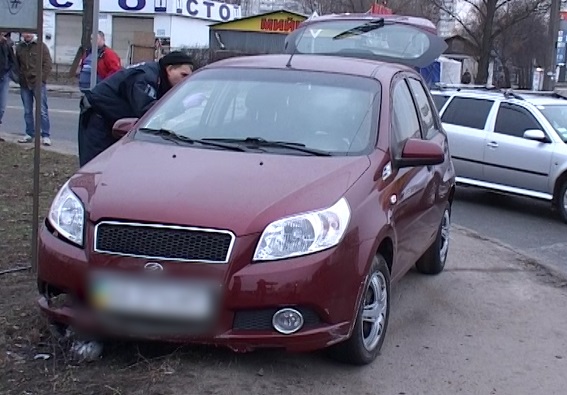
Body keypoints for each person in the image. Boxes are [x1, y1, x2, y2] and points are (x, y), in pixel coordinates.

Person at [78, 50, 194, 166]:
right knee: (96, 167)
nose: (185, 81)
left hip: (110, 118)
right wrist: (181, 106)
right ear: (169, 69)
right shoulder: (146, 77)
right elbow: (147, 111)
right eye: (183, 75)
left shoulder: (157, 76)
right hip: (97, 118)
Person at [15, 32, 53, 146]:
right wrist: (18, 77)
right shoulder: (19, 47)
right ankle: (29, 134)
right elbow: (17, 64)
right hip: (24, 84)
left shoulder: (41, 46)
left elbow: (48, 64)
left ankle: (45, 135)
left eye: (28, 33)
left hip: (38, 83)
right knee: (27, 110)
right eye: (24, 33)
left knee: (42, 110)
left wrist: (41, 79)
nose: (26, 35)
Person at [0, 32, 17, 130]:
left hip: (4, 76)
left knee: (1, 107)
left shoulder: (8, 43)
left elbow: (12, 59)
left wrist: (11, 72)